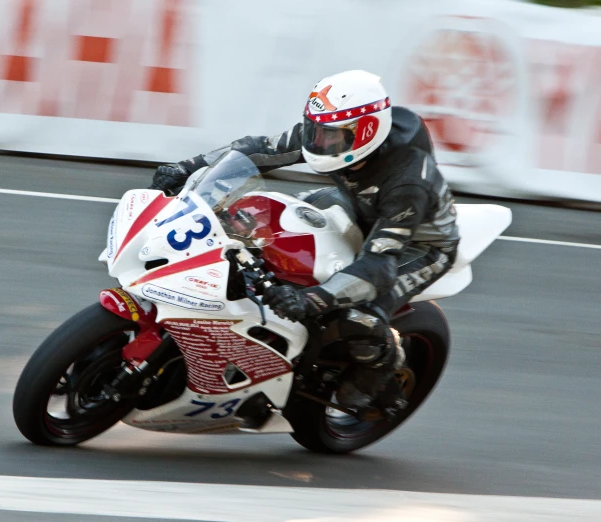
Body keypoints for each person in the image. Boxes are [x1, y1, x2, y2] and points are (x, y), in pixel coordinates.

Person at [148, 70, 460, 417]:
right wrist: (186, 168)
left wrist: (310, 299)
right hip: (355, 207)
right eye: (315, 130)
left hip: (416, 244)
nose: (317, 142)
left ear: (366, 133)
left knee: (358, 317)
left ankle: (382, 370)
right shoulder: (334, 130)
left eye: (329, 136)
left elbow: (379, 266)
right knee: (249, 217)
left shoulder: (407, 182)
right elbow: (259, 150)